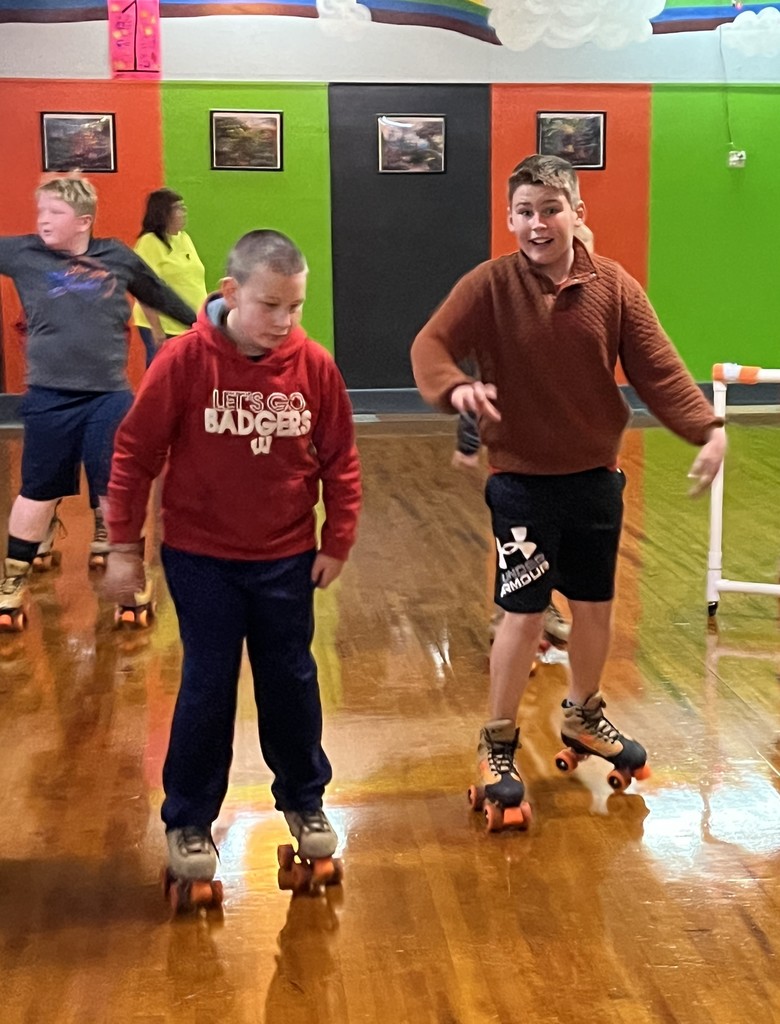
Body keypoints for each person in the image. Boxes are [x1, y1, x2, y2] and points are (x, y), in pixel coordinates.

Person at [411, 154, 725, 825]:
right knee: (524, 615)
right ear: (509, 218)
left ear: (577, 213)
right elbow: (430, 346)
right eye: (524, 211)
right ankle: (497, 743)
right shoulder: (490, 286)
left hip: (593, 479)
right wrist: (454, 387)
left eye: (550, 209)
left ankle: (583, 715)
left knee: (595, 608)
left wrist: (708, 429)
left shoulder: (613, 287)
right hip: (521, 483)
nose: (536, 223)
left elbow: (660, 369)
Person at [102, 229, 361, 895]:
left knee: (292, 682)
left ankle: (304, 801)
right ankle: (188, 819)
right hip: (201, 558)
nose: (284, 322)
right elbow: (133, 455)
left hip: (285, 557)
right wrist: (124, 548)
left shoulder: (315, 367)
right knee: (207, 687)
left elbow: (340, 459)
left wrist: (337, 540)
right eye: (270, 306)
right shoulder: (185, 362)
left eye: (296, 306)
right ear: (229, 293)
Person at [0, 174, 197, 632]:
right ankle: (12, 580)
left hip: (107, 396)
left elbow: (164, 297)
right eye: (41, 212)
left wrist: (211, 322)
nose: (42, 220)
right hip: (49, 396)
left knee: (115, 490)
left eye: (54, 213)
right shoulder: (24, 253)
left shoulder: (118, 258)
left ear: (83, 221)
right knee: (37, 490)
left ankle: (128, 574)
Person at [452, 222, 596, 651]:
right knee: (521, 548)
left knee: (559, 541)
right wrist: (468, 443)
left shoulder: (592, 318)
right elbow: (480, 385)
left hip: (571, 463)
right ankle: (511, 618)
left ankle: (542, 607)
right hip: (519, 465)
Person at [132, 188, 207, 367]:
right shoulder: (150, 242)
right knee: (162, 375)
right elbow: (142, 287)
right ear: (163, 214)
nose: (184, 212)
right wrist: (156, 328)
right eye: (178, 208)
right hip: (164, 326)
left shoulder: (184, 238)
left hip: (190, 324)